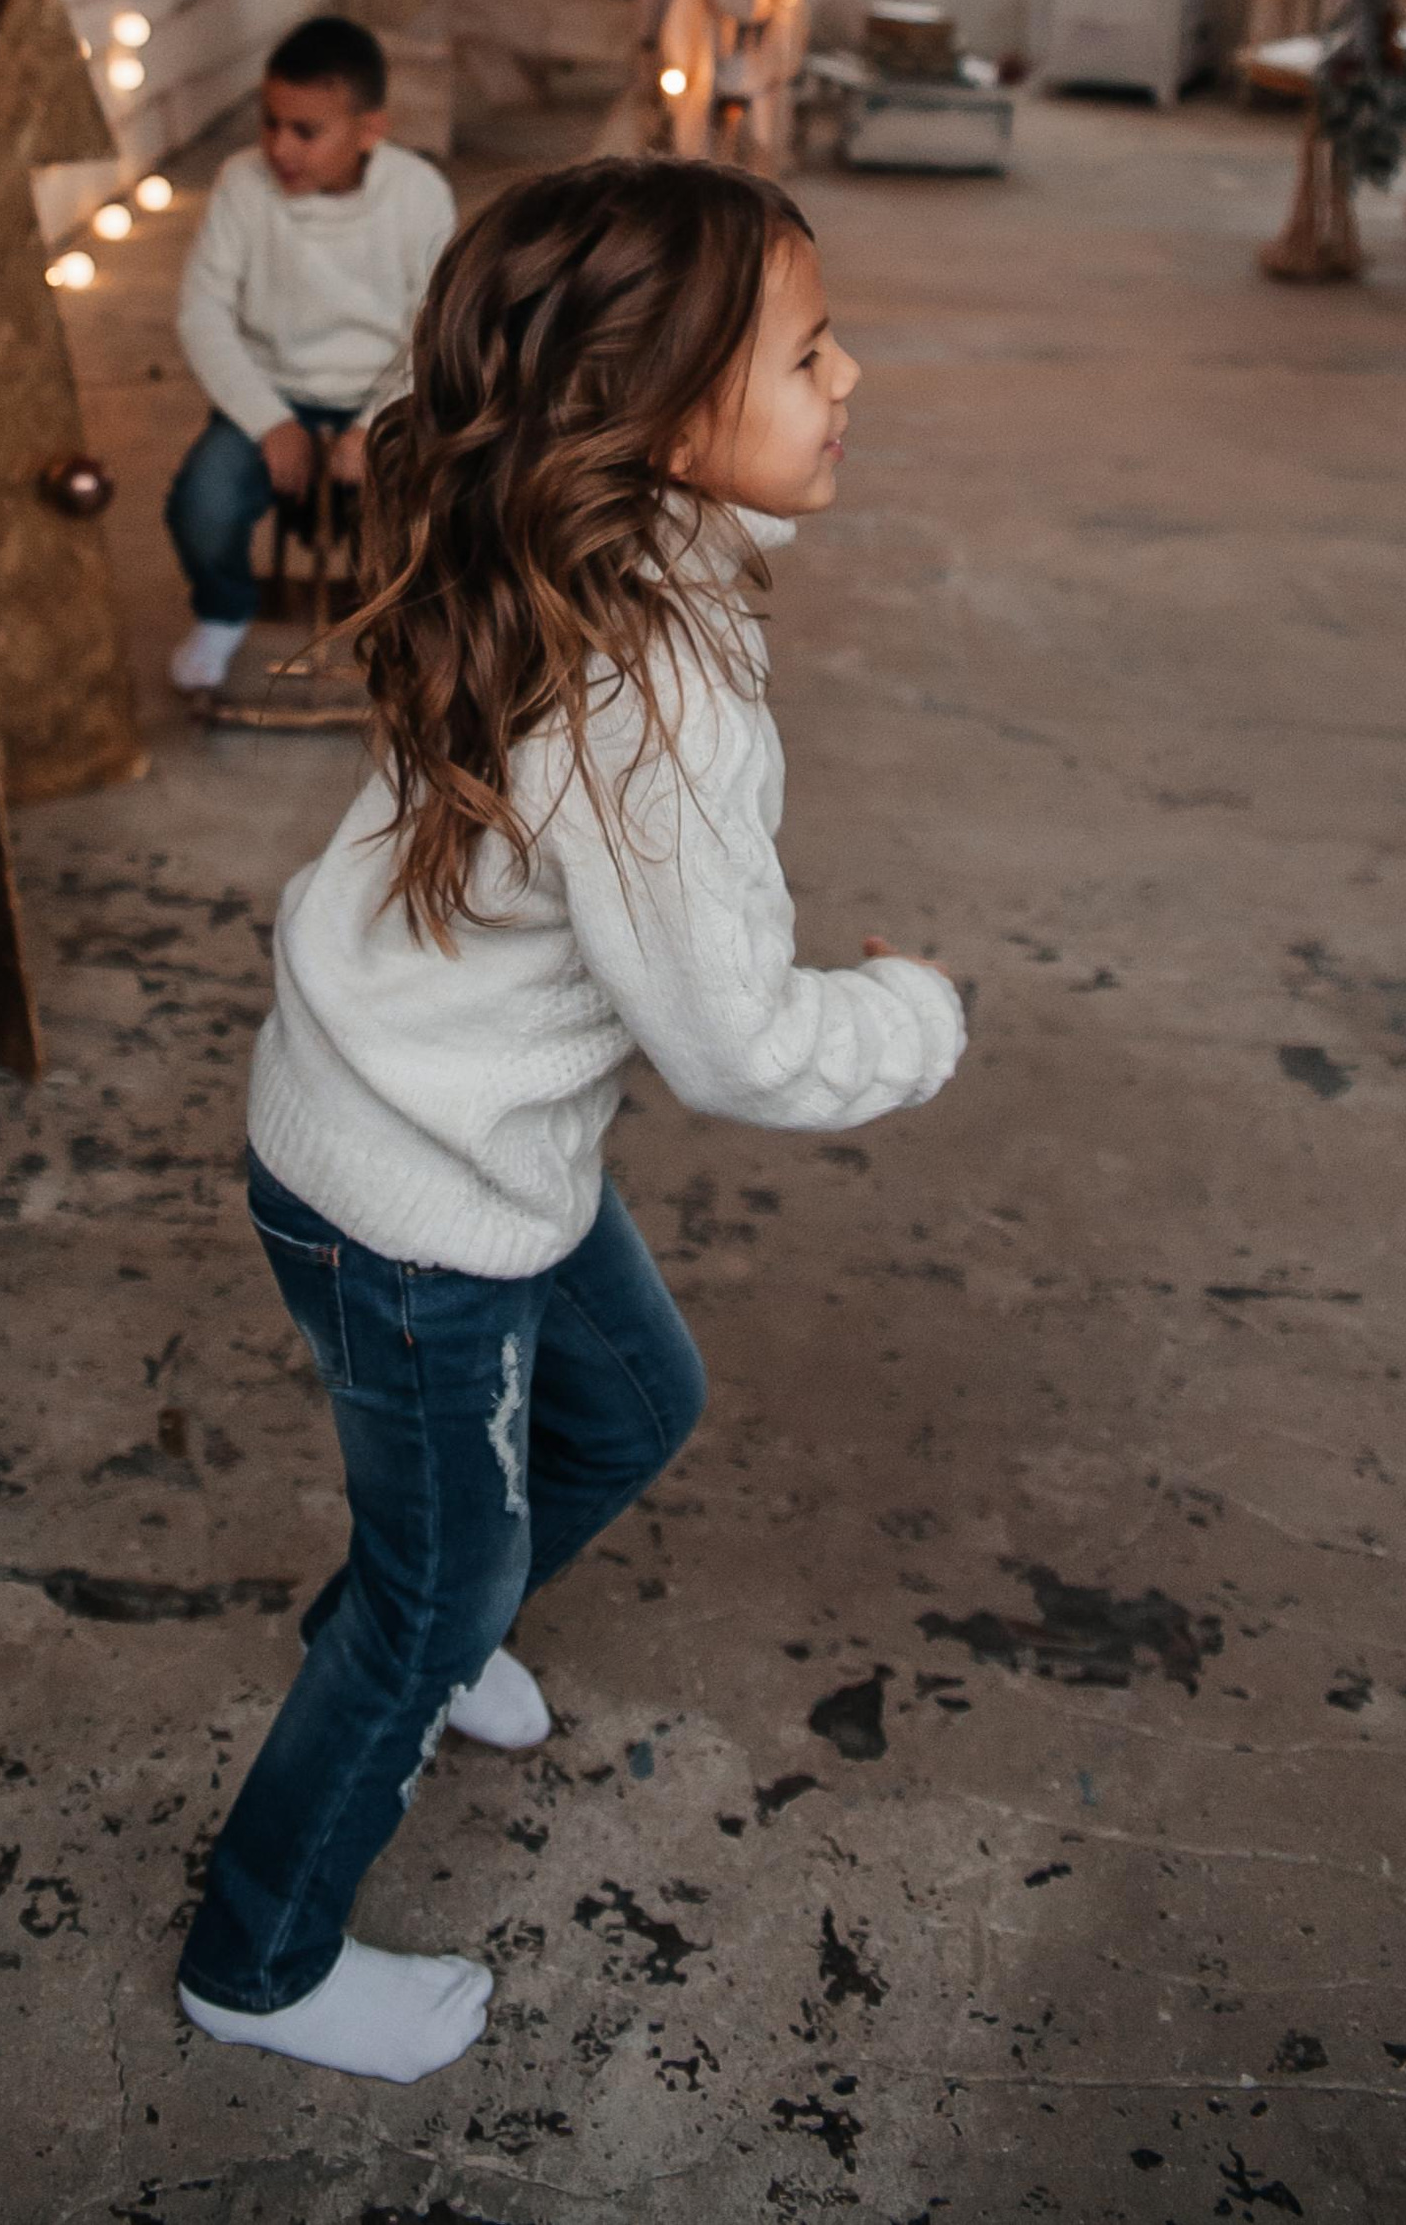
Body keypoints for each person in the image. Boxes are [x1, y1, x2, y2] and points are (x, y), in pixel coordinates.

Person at [173, 160, 966, 2086]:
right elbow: (736, 1044)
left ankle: (420, 1631)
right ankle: (260, 1954)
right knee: (431, 1575)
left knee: (636, 1402)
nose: (852, 370)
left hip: (430, 1134)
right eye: (805, 347)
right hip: (412, 1203)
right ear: (663, 413)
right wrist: (919, 1013)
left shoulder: (564, 544)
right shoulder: (657, 692)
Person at [165, 16, 456, 696]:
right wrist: (269, 420)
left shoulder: (418, 194)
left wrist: (373, 422)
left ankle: (405, 626)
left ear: (369, 129)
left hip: (384, 393)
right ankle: (224, 608)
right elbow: (201, 312)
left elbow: (438, 326)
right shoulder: (242, 183)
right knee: (201, 504)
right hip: (275, 392)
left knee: (432, 511)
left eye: (306, 131)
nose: (279, 147)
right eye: (270, 122)